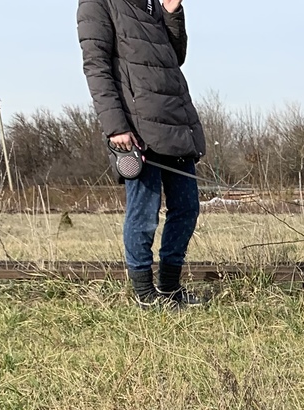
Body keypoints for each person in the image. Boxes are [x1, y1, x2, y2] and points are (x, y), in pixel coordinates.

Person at [78, 0, 207, 308]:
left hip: (177, 122)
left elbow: (175, 57)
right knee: (144, 213)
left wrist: (172, 13)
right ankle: (144, 294)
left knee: (187, 209)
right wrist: (115, 126)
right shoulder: (97, 4)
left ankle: (169, 288)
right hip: (136, 129)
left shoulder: (153, 3)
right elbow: (95, 67)